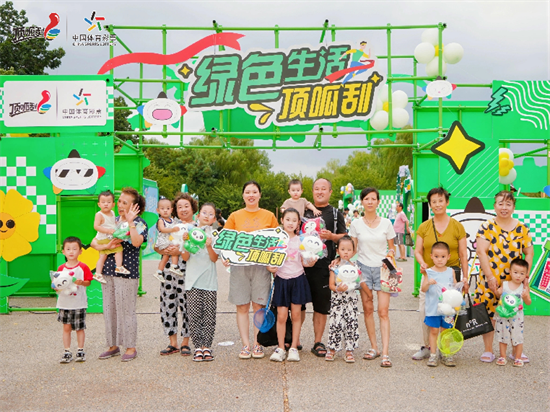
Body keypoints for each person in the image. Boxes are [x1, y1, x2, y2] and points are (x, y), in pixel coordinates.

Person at [475, 190, 533, 363]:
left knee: (514, 314)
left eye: (508, 204)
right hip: (490, 278)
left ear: (514, 207)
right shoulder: (486, 226)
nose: (504, 207)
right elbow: (481, 251)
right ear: (494, 206)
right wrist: (490, 277)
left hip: (514, 280)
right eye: (500, 203)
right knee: (489, 313)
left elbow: (529, 252)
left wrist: (525, 277)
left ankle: (516, 351)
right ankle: (488, 350)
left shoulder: (522, 228)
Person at [224, 180, 279, 359]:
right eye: (248, 192)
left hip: (261, 267)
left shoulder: (269, 216)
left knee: (258, 305)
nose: (251, 195)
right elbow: (226, 240)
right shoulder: (235, 216)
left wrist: (273, 262)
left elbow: (278, 242)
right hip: (239, 267)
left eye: (254, 192)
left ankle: (257, 344)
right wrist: (226, 257)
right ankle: (245, 345)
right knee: (241, 306)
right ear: (243, 195)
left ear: (260, 195)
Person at [91, 187, 147, 362]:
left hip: (127, 272)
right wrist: (105, 246)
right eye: (120, 201)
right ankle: (113, 345)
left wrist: (130, 223)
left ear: (134, 206)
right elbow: (93, 242)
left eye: (125, 202)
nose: (120, 205)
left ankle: (130, 347)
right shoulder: (111, 219)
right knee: (109, 309)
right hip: (107, 271)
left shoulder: (140, 223)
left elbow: (137, 243)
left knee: (127, 310)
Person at [413, 187, 468, 362]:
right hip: (430, 278)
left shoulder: (457, 226)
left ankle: (446, 349)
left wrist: (465, 278)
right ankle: (428, 347)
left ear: (447, 202)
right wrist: (422, 263)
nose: (437, 204)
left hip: (450, 279)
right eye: (434, 202)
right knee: (426, 312)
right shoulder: (424, 226)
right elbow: (417, 251)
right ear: (430, 204)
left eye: (440, 201)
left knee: (449, 316)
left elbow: (463, 254)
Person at [349, 187, 396, 367]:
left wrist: (390, 255)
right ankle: (374, 347)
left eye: (373, 199)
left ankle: (385, 353)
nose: (370, 202)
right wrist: (340, 260)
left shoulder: (386, 223)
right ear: (362, 202)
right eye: (366, 199)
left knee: (383, 311)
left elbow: (392, 247)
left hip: (383, 269)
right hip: (363, 269)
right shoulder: (356, 224)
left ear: (378, 202)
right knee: (368, 309)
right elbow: (352, 249)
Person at [303, 178, 346, 358]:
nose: (320, 192)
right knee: (298, 305)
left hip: (323, 267)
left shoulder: (336, 214)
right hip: (301, 266)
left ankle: (318, 342)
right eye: (316, 189)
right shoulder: (303, 211)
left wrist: (332, 236)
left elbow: (345, 238)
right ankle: (293, 341)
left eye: (323, 189)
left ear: (330, 192)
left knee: (321, 306)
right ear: (312, 192)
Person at [267, 208, 315, 363]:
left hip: (298, 279)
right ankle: (281, 347)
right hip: (281, 280)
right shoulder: (276, 240)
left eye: (294, 220)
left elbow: (305, 262)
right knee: (281, 316)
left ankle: (294, 347)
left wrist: (311, 261)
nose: (290, 223)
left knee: (296, 315)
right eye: (287, 219)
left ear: (298, 223)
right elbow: (269, 260)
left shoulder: (302, 240)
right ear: (282, 220)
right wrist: (269, 268)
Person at [155, 193, 196, 357]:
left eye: (186, 206)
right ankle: (173, 343)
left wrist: (178, 250)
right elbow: (157, 245)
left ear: (192, 207)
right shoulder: (170, 224)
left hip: (187, 271)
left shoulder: (196, 227)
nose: (183, 209)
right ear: (175, 210)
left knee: (187, 306)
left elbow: (197, 249)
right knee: (167, 304)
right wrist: (166, 250)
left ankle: (186, 342)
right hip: (168, 272)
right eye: (179, 207)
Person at [181, 202, 220, 362]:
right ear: (198, 215)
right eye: (204, 212)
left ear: (214, 219)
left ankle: (207, 347)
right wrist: (185, 243)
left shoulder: (214, 235)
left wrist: (209, 246)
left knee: (209, 316)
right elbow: (185, 257)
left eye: (211, 214)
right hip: (192, 281)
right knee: (194, 315)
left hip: (209, 281)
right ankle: (198, 347)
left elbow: (214, 258)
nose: (207, 216)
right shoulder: (190, 232)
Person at [55, 237, 93, 363]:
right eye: (68, 249)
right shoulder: (61, 268)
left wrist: (82, 282)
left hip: (79, 303)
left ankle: (80, 350)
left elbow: (88, 282)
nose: (71, 252)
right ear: (63, 252)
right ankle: (67, 351)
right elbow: (56, 284)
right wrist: (55, 287)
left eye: (74, 249)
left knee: (79, 328)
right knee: (66, 328)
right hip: (64, 304)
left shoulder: (83, 267)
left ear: (80, 251)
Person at [420, 241, 456, 367]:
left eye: (443, 257)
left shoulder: (451, 271)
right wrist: (428, 282)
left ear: (448, 257)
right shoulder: (428, 272)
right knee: (434, 330)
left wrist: (460, 285)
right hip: (433, 308)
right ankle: (433, 355)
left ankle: (446, 353)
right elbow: (423, 289)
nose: (440, 260)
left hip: (447, 309)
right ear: (431, 256)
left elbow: (455, 286)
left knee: (446, 331)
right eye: (436, 256)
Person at [326, 236, 360, 363]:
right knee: (336, 323)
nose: (346, 252)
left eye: (349, 250)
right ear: (337, 251)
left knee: (351, 323)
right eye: (343, 249)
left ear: (353, 251)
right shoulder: (334, 267)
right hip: (337, 301)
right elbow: (331, 285)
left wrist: (355, 284)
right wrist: (338, 289)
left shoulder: (355, 266)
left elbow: (358, 283)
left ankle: (349, 350)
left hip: (351, 300)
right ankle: (332, 349)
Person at [495, 258, 531, 367]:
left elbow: (528, 302)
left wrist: (525, 297)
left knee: (518, 337)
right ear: (510, 272)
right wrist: (498, 292)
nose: (518, 276)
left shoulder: (524, 287)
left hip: (517, 317)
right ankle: (503, 356)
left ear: (526, 275)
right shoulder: (505, 284)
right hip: (503, 316)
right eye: (515, 272)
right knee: (503, 336)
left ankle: (518, 357)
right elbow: (498, 295)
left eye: (522, 273)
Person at [93, 190, 128, 284]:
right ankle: (119, 266)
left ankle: (98, 273)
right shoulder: (99, 214)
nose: (106, 204)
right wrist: (108, 231)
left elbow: (112, 223)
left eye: (108, 202)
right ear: (99, 204)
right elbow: (96, 226)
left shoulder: (112, 213)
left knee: (102, 256)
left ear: (113, 204)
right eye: (103, 202)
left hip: (107, 238)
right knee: (119, 249)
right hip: (104, 238)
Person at [153, 197, 183, 283]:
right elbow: (162, 229)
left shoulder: (172, 220)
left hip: (169, 240)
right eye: (162, 209)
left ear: (171, 210)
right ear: (158, 210)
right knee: (171, 251)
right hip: (163, 241)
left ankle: (160, 271)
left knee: (166, 256)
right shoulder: (160, 220)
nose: (165, 210)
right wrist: (172, 230)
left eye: (168, 208)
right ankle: (173, 266)